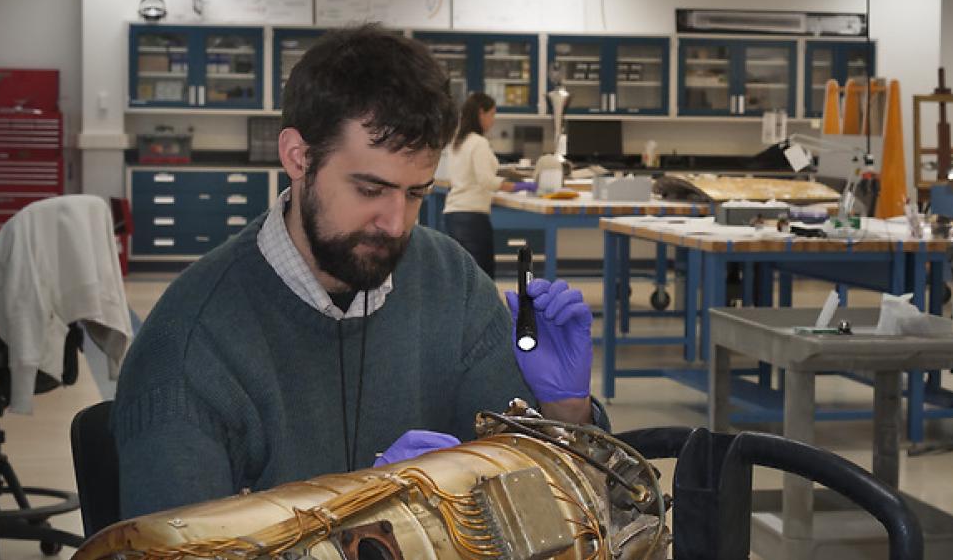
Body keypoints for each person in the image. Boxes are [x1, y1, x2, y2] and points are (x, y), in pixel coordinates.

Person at [112, 25, 603, 519]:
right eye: (370, 189)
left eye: (416, 194)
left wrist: (566, 412)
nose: (396, 224)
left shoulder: (449, 280)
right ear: (298, 157)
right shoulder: (188, 349)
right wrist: (359, 519)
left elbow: (550, 510)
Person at [443, 92, 535, 276]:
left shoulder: (458, 141)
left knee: (462, 277)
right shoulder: (479, 143)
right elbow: (487, 181)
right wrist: (522, 186)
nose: (493, 120)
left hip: (453, 215)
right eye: (492, 114)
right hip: (472, 219)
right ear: (480, 113)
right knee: (481, 277)